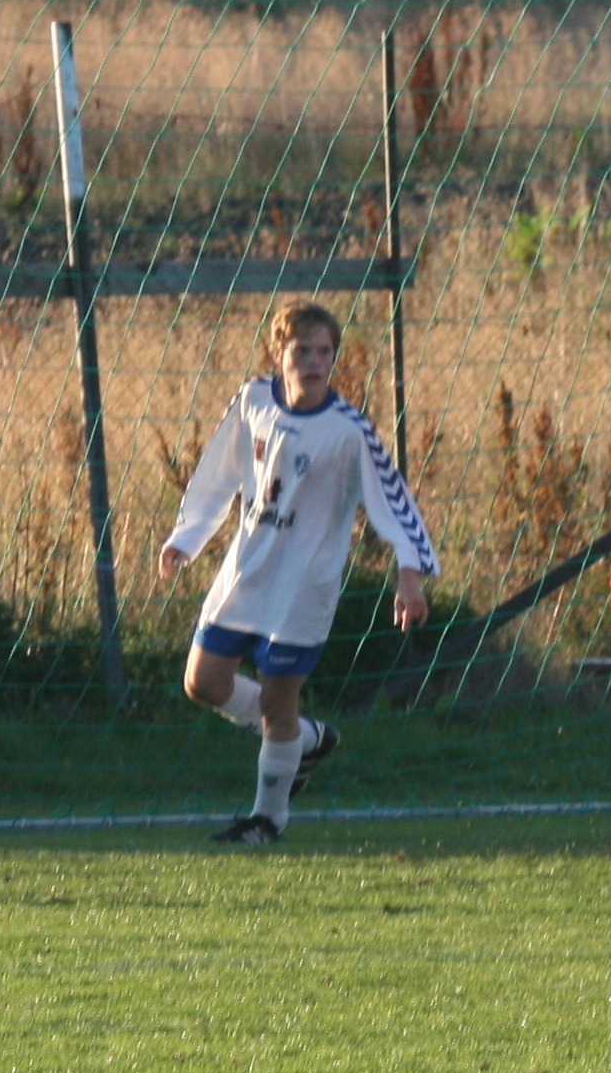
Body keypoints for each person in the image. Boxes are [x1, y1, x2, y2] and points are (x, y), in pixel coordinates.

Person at [157, 300, 438, 844]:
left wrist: (409, 575)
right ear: (277, 352)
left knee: (276, 702)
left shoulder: (348, 431)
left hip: (303, 587)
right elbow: (218, 472)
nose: (314, 361)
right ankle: (303, 739)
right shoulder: (253, 400)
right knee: (202, 682)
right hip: (246, 571)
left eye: (324, 352)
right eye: (303, 350)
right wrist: (186, 537)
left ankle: (268, 819)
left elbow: (394, 503)